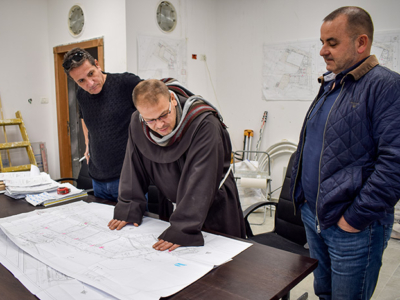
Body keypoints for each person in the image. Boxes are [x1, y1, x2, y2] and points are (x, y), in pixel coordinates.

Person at [290, 6, 400, 300]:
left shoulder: (386, 86)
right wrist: (302, 199)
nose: (323, 51)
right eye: (322, 42)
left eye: (332, 42)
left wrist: (353, 219)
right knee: (323, 292)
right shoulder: (333, 83)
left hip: (352, 226)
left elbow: (395, 164)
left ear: (361, 42)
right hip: (315, 217)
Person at [108, 78, 246, 251]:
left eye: (163, 115)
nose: (159, 125)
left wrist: (183, 228)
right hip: (173, 211)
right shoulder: (138, 122)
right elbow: (132, 166)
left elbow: (202, 178)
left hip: (213, 209)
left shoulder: (204, 124)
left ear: (172, 100)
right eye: (150, 120)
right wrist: (128, 208)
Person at [63, 48, 142, 201]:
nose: (90, 83)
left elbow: (154, 99)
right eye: (81, 81)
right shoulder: (82, 95)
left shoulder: (125, 83)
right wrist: (87, 143)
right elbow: (83, 117)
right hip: (97, 178)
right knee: (103, 224)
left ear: (97, 65)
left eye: (91, 74)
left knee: (133, 223)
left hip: (128, 176)